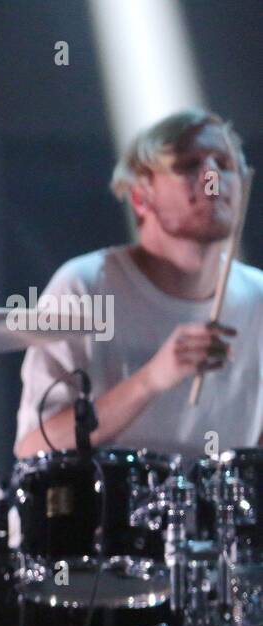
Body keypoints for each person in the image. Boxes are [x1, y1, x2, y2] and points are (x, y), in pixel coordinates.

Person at [14, 109, 263, 462]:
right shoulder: (84, 287)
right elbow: (33, 446)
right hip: (106, 516)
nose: (212, 177)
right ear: (140, 198)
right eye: (189, 165)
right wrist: (152, 379)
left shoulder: (258, 297)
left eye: (224, 164)